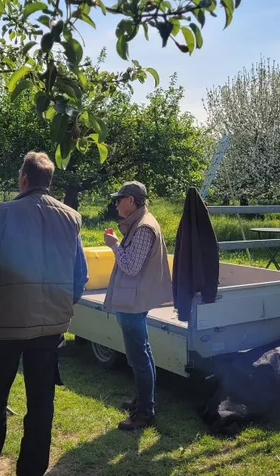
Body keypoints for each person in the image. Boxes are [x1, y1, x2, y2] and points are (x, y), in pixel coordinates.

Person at [0, 152, 88, 476]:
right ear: (50, 182)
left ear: (24, 180)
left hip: (6, 323)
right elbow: (80, 274)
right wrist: (62, 304)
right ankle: (32, 470)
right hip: (51, 326)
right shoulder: (71, 217)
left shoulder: (1, 213)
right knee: (41, 401)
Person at [103, 181, 172, 431]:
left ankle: (144, 412)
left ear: (131, 200)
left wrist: (114, 245)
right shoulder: (142, 222)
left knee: (138, 357)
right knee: (143, 353)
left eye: (119, 199)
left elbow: (131, 267)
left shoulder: (143, 227)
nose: (116, 203)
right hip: (134, 299)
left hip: (133, 302)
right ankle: (143, 400)